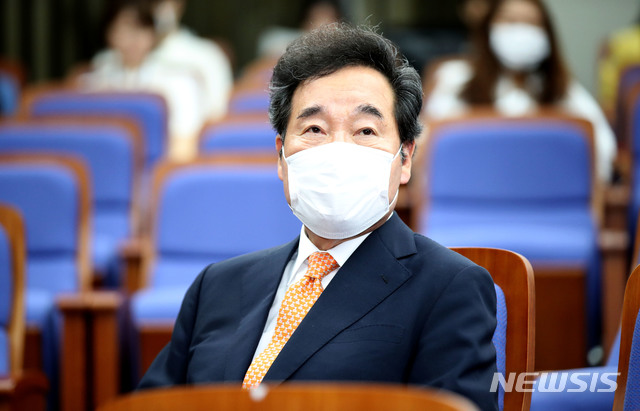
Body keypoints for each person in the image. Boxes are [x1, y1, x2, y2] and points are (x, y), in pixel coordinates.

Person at [138, 23, 498, 410]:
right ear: (281, 157)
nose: (337, 150)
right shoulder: (216, 285)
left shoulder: (448, 288)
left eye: (365, 130)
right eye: (314, 128)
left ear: (405, 159)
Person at [424, 0, 617, 183]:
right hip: (470, 192)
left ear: (547, 35)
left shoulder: (563, 89)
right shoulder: (455, 79)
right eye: (510, 20)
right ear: (489, 27)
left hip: (543, 195)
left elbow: (603, 150)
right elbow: (424, 147)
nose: (520, 31)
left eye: (532, 23)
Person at [80, 0, 204, 160]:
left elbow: (184, 149)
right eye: (125, 28)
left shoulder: (179, 82)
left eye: (142, 27)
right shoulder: (92, 84)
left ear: (153, 32)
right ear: (109, 32)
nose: (134, 37)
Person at [150, 0, 234, 121]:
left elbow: (219, 119)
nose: (151, 9)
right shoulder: (118, 65)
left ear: (179, 5)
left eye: (159, 3)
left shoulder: (208, 56)